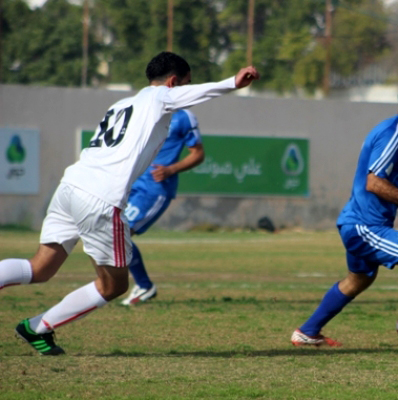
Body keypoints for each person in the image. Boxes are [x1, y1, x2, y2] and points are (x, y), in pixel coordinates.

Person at [0, 51, 259, 355]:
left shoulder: (122, 104)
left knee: (40, 268)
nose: (188, 91)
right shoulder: (161, 98)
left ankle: (37, 327)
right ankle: (37, 327)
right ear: (173, 82)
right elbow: (195, 94)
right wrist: (233, 82)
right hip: (99, 198)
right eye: (186, 84)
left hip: (70, 186)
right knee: (114, 286)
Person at [291, 74, 398, 348]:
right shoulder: (394, 134)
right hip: (365, 227)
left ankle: (307, 331)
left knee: (359, 279)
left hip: (357, 223)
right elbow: (373, 182)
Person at [120, 109, 205, 306]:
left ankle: (143, 285)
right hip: (131, 182)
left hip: (154, 189)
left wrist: (171, 169)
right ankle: (133, 284)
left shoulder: (184, 117)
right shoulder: (143, 107)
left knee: (118, 233)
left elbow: (198, 153)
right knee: (109, 233)